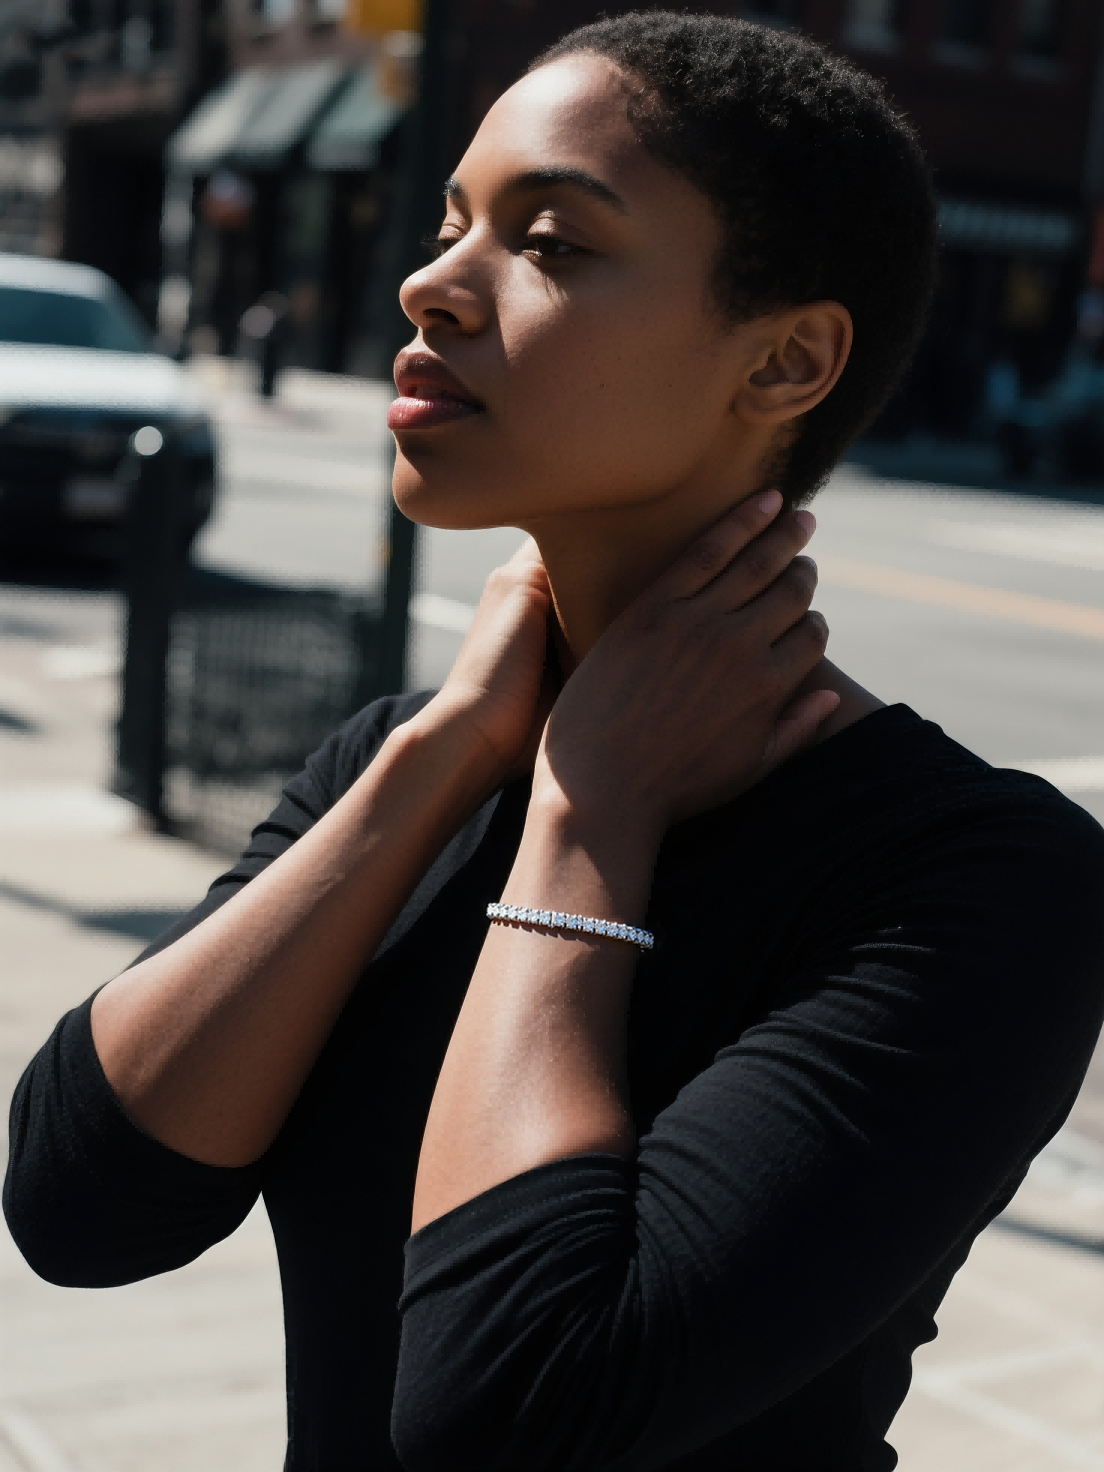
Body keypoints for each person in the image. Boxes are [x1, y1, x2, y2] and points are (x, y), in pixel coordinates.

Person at [6, 14, 1104, 1471]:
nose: (429, 281)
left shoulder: (975, 882)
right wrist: (444, 751)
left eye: (552, 243)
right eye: (454, 218)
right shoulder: (409, 763)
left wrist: (589, 820)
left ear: (784, 363)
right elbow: (80, 1208)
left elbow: (511, 1410)